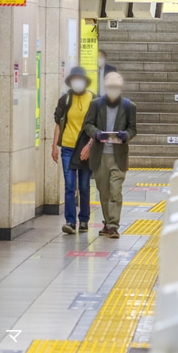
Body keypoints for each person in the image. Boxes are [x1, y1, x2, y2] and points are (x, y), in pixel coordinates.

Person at [83, 72, 137, 238]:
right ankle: (107, 223)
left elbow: (133, 129)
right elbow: (87, 124)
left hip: (118, 156)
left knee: (115, 191)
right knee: (104, 192)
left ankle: (113, 225)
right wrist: (97, 133)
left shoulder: (129, 106)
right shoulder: (96, 104)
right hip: (100, 156)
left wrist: (125, 135)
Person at [53, 66, 95, 234]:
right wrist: (54, 145)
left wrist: (90, 146)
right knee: (70, 186)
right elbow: (59, 123)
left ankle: (83, 220)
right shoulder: (65, 99)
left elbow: (97, 126)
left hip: (86, 148)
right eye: (74, 79)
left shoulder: (94, 99)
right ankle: (70, 222)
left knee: (84, 186)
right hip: (68, 148)